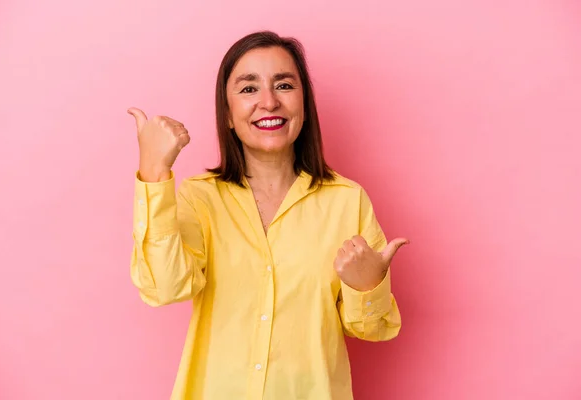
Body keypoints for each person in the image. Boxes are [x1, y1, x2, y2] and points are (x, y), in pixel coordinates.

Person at [127, 30, 409, 400]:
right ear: (227, 114)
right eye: (248, 89)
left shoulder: (347, 201)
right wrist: (153, 173)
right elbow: (164, 288)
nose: (269, 102)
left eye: (284, 85)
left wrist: (368, 285)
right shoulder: (200, 197)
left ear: (303, 104)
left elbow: (372, 329)